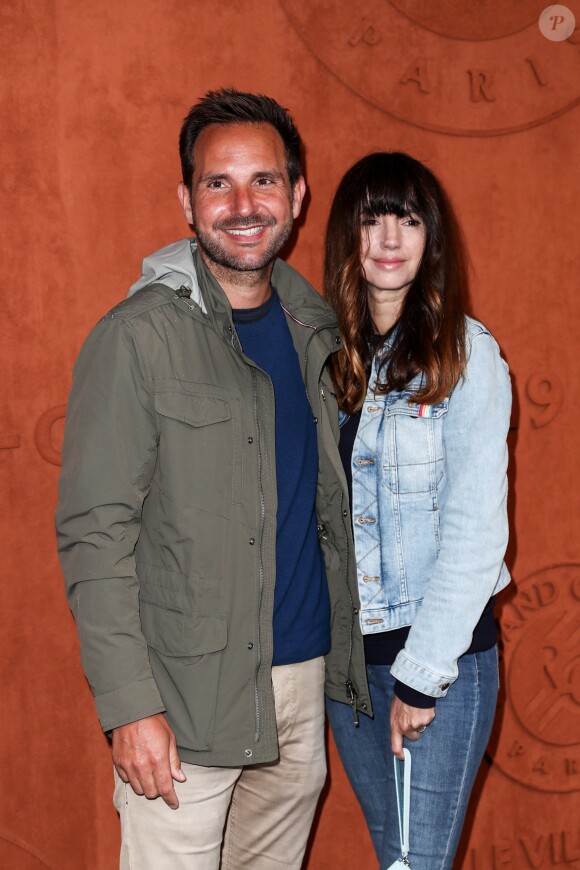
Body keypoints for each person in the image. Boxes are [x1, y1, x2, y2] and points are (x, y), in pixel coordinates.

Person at [56, 88, 370, 870]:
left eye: (263, 180)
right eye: (217, 184)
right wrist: (130, 707)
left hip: (297, 693)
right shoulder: (136, 338)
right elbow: (95, 536)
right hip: (182, 706)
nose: (242, 205)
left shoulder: (317, 329)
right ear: (187, 201)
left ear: (297, 195)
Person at [323, 152, 511, 870]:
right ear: (348, 235)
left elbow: (475, 533)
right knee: (395, 857)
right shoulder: (331, 359)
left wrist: (419, 677)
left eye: (407, 219)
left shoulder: (466, 355)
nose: (389, 238)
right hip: (351, 671)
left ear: (431, 236)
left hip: (438, 667)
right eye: (372, 219)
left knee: (417, 864)